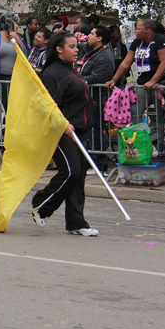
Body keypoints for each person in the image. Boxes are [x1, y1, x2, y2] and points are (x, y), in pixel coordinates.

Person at [30, 31, 99, 236]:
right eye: (71, 46)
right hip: (61, 131)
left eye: (77, 46)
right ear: (59, 49)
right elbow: (46, 107)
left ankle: (76, 222)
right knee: (70, 172)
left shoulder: (73, 70)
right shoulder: (52, 74)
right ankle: (41, 204)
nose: (76, 50)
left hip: (79, 131)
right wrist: (63, 124)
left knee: (78, 177)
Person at [105, 19, 165, 124]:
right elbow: (126, 63)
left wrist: (153, 81)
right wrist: (114, 80)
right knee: (135, 112)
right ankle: (139, 139)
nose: (135, 31)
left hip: (159, 84)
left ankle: (161, 140)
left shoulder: (161, 40)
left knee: (160, 115)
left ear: (147, 31)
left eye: (138, 29)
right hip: (142, 84)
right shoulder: (137, 42)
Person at [76, 25, 115, 173]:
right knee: (89, 132)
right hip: (87, 98)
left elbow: (98, 77)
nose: (88, 36)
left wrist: (77, 80)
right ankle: (90, 162)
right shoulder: (90, 51)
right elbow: (80, 49)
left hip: (97, 99)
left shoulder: (104, 56)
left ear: (99, 38)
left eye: (91, 34)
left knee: (96, 132)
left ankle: (98, 165)